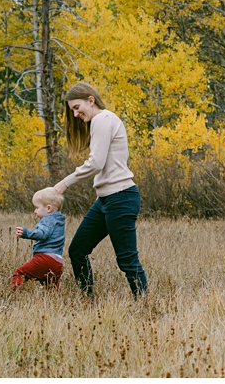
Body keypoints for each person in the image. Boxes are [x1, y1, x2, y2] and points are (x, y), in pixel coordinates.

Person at [53, 82, 148, 299]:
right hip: (106, 200)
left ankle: (144, 306)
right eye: (72, 111)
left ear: (90, 100)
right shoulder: (101, 121)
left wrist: (65, 183)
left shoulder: (103, 120)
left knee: (126, 260)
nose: (76, 114)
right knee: (77, 250)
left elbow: (95, 163)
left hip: (121, 197)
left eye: (77, 107)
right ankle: (88, 300)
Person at [11, 187, 66, 292]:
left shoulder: (47, 219)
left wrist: (27, 233)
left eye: (37, 207)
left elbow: (42, 234)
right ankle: (52, 304)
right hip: (57, 261)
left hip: (44, 259)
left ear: (48, 208)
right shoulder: (58, 220)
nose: (35, 211)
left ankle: (13, 295)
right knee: (51, 288)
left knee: (19, 274)